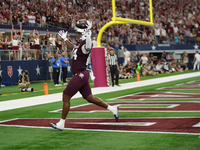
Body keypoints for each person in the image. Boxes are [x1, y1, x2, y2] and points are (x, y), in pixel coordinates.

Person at [49, 19, 118, 131]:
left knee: (66, 95)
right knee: (89, 98)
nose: (77, 35)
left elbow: (88, 46)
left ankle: (61, 123)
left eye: (79, 33)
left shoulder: (86, 43)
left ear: (84, 33)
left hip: (80, 74)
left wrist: (88, 35)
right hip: (81, 74)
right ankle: (112, 108)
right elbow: (72, 47)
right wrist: (65, 39)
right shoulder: (79, 43)